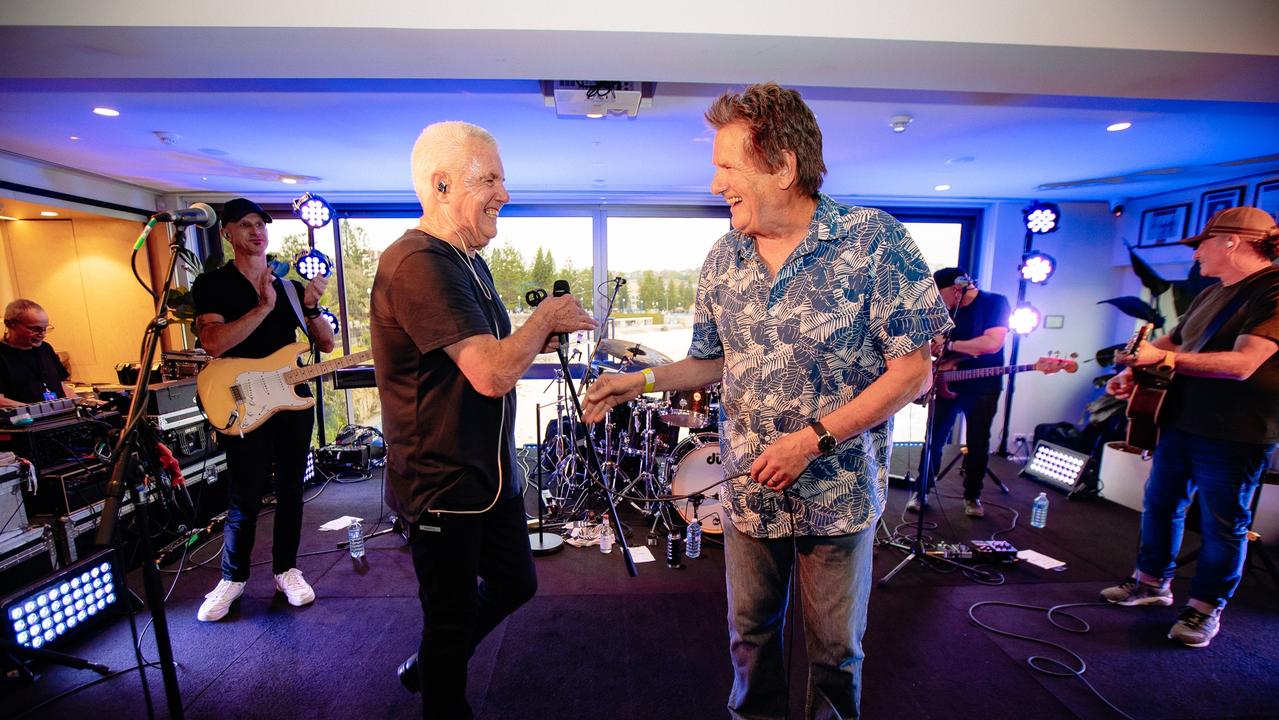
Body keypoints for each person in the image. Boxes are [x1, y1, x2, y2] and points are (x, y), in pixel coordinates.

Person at [583, 83, 951, 720]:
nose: (715, 183)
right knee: (750, 641)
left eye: (728, 167)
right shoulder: (724, 258)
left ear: (783, 166)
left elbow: (913, 371)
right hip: (748, 493)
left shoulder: (875, 242)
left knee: (835, 654)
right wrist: (636, 383)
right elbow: (710, 361)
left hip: (838, 496)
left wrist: (812, 440)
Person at [370, 121, 595, 719]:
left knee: (516, 582)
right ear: (441, 186)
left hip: (490, 476)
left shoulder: (467, 260)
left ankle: (430, 663)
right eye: (490, 178)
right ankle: (439, 678)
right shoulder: (419, 263)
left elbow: (492, 349)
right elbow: (491, 374)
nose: (505, 192)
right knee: (447, 624)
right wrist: (543, 318)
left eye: (503, 178)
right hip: (443, 483)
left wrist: (542, 337)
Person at [1102, 206, 1279, 648]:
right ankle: (1150, 584)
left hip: (1236, 430)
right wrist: (1133, 371)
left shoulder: (1273, 292)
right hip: (1181, 419)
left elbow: (1243, 364)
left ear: (1231, 242)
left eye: (1202, 244)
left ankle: (1204, 610)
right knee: (1161, 504)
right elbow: (1175, 341)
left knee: (1224, 523)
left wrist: (1161, 360)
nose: (1197, 254)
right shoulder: (1212, 292)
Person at [190, 197, 335, 622]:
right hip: (241, 399)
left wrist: (309, 306)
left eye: (261, 225)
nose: (257, 231)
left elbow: (324, 344)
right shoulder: (212, 285)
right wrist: (263, 307)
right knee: (245, 495)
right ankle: (232, 579)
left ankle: (287, 569)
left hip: (289, 399)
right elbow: (214, 343)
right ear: (228, 233)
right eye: (247, 225)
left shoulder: (288, 287)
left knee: (292, 490)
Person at [910, 268, 1010, 517]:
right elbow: (936, 346)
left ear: (956, 287)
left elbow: (992, 343)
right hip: (949, 380)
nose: (938, 300)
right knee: (934, 438)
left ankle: (972, 496)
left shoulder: (994, 303)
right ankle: (921, 492)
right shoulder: (945, 310)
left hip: (983, 385)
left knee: (978, 441)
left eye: (940, 294)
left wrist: (952, 345)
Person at [0, 299, 76, 408]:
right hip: (25, 422)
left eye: (45, 329)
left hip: (57, 416)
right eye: (35, 329)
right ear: (10, 324)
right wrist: (39, 410)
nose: (43, 334)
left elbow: (61, 385)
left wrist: (81, 402)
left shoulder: (46, 348)